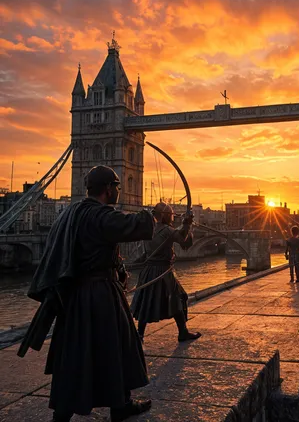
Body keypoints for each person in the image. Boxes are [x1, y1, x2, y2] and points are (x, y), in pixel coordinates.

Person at [18, 166, 155, 422]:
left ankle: (99, 407)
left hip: (74, 296)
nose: (117, 191)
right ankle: (116, 406)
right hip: (100, 294)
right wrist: (153, 214)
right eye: (116, 187)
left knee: (76, 351)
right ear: (108, 189)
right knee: (115, 346)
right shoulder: (99, 215)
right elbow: (134, 225)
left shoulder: (71, 213)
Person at [131, 202, 201, 343]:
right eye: (170, 214)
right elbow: (184, 242)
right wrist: (187, 224)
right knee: (178, 297)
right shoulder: (167, 231)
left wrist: (185, 225)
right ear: (166, 216)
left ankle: (139, 335)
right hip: (163, 271)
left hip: (148, 271)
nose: (172, 217)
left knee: (147, 300)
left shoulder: (149, 229)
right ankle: (183, 332)